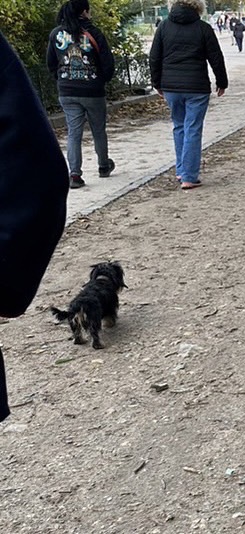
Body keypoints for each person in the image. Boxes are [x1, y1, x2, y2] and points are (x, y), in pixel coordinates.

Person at [0, 30, 69, 423]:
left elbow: (50, 60)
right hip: (87, 87)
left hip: (68, 85)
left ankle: (81, 162)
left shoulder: (58, 34)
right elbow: (36, 170)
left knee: (75, 124)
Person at [149, 0, 228, 190]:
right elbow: (215, 57)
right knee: (193, 128)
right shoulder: (203, 28)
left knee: (179, 126)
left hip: (171, 87)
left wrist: (157, 83)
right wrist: (221, 81)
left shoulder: (164, 27)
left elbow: (154, 56)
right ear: (198, 6)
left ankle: (181, 169)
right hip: (196, 86)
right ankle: (189, 176)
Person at [46, 0, 116, 189]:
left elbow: (51, 63)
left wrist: (62, 79)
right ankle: (103, 165)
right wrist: (102, 80)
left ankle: (75, 174)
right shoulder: (94, 33)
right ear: (84, 12)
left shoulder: (56, 34)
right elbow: (107, 63)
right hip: (92, 90)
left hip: (67, 90)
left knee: (73, 133)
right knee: (98, 129)